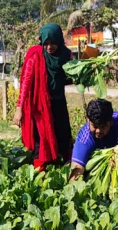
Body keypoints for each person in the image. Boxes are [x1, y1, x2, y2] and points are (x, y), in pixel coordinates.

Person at [13, 23, 73, 170]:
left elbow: (68, 79)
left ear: (59, 40)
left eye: (53, 43)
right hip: (40, 106)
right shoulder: (36, 55)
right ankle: (40, 172)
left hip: (58, 102)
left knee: (63, 135)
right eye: (46, 43)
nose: (49, 47)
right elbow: (26, 82)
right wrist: (19, 109)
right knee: (41, 137)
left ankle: (70, 167)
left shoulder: (66, 55)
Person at [69, 99, 118, 181]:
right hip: (95, 176)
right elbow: (76, 170)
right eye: (94, 126)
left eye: (103, 126)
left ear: (111, 122)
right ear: (88, 120)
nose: (98, 131)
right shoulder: (84, 138)